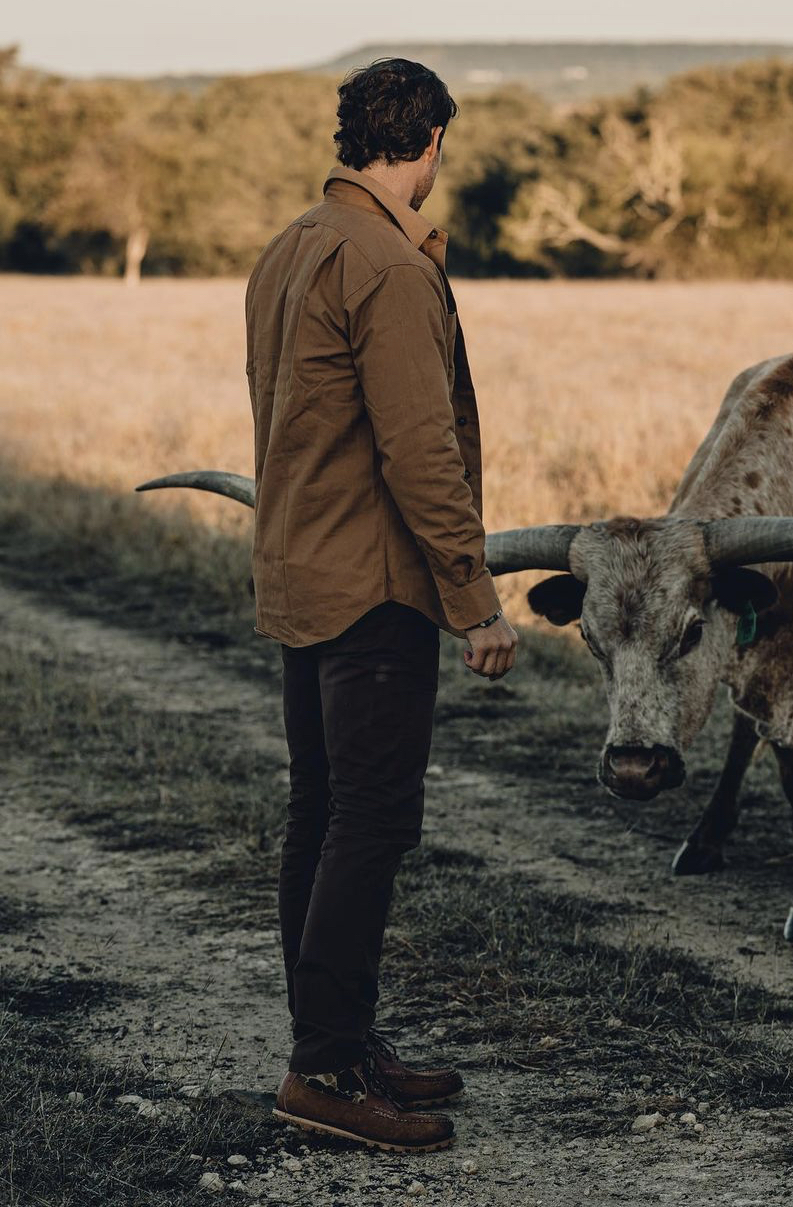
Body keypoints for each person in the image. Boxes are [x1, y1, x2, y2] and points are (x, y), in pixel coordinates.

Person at [244, 57, 519, 1152]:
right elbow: (418, 449)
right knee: (370, 822)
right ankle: (321, 1070)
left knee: (323, 814)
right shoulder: (390, 268)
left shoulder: (291, 248)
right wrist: (475, 601)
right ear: (433, 143)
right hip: (374, 585)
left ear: (354, 135)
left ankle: (342, 1042)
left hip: (302, 569)